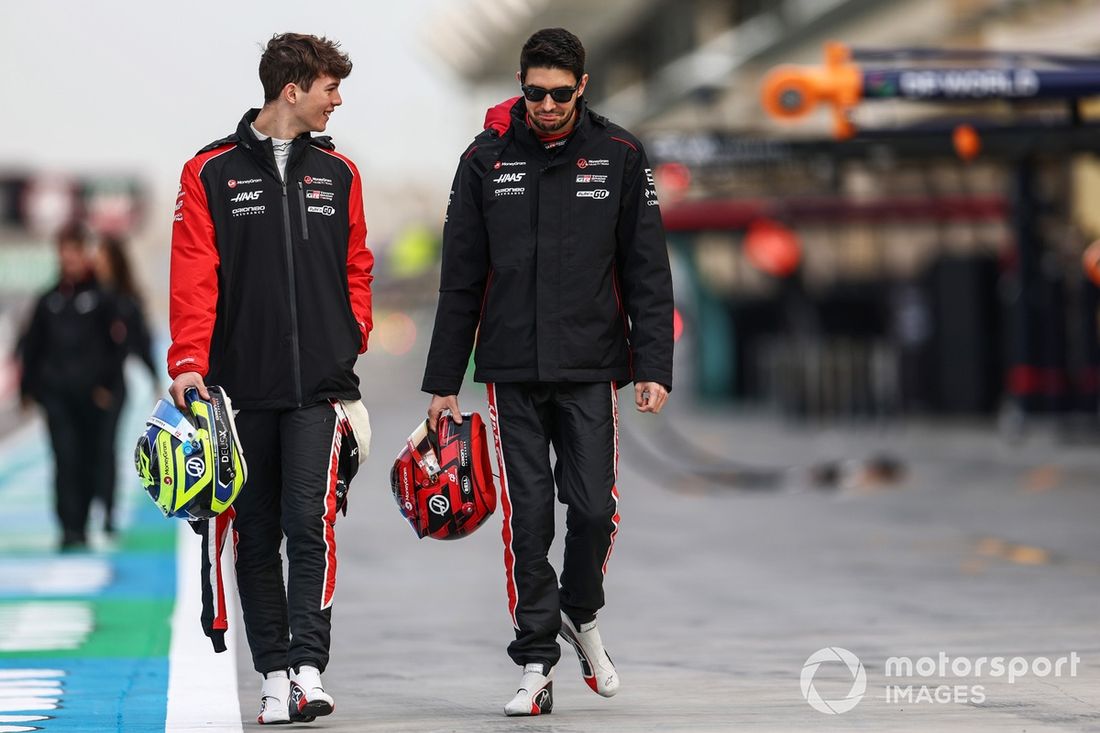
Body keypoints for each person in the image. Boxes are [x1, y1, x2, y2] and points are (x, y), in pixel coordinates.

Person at [422, 27, 674, 716]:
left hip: (593, 366)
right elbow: (460, 280)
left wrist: (653, 363)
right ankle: (537, 659)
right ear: (521, 85)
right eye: (534, 92)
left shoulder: (619, 154)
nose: (547, 105)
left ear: (583, 87)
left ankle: (580, 610)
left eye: (560, 93)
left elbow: (647, 270)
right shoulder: (483, 160)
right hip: (511, 369)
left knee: (592, 507)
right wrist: (444, 380)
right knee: (527, 519)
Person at [167, 32, 373, 725]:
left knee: (308, 523)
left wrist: (352, 338)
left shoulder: (340, 173)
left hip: (319, 385)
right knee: (255, 533)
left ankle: (309, 668)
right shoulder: (209, 172)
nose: (336, 100)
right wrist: (189, 363)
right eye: (328, 88)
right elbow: (193, 276)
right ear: (293, 90)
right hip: (240, 388)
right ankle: (273, 676)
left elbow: (358, 267)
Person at [18, 222, 125, 551]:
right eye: (64, 251)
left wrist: (107, 386)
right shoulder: (48, 300)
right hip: (58, 397)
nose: (69, 258)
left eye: (75, 251)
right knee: (65, 458)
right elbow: (31, 347)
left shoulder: (103, 299)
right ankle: (70, 528)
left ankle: (96, 513)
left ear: (84, 254)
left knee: (92, 458)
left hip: (94, 397)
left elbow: (117, 346)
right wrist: (29, 389)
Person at [92, 235, 159, 535]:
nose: (98, 263)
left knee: (106, 449)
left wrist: (155, 377)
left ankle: (106, 511)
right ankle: (82, 511)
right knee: (82, 451)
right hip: (79, 386)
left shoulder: (125, 301)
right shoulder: (86, 294)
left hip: (112, 387)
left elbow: (141, 343)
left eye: (104, 257)